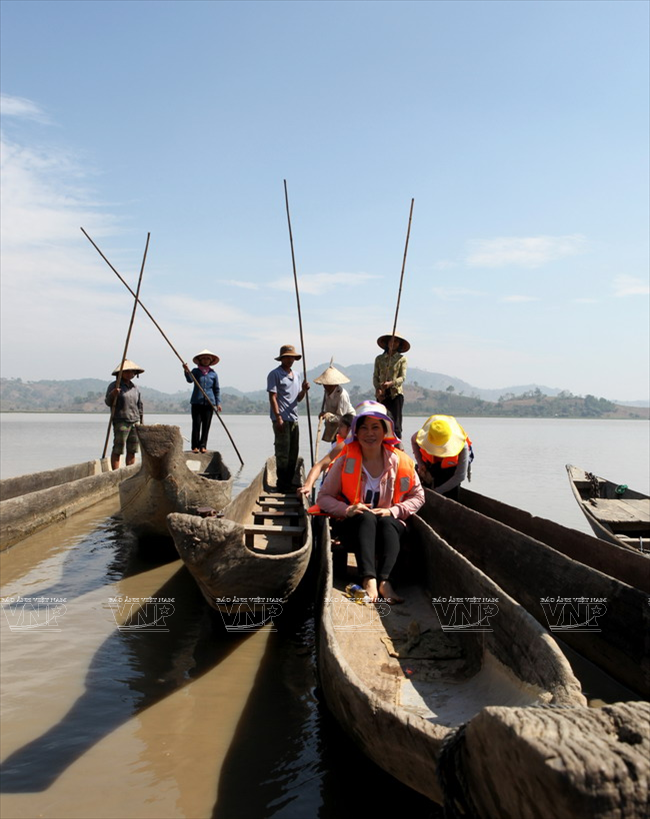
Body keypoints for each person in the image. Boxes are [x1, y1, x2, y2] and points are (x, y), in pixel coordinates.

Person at [316, 401, 424, 603]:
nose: (369, 433)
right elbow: (323, 497)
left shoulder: (400, 461)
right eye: (364, 427)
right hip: (354, 530)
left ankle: (385, 581)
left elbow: (418, 496)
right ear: (356, 432)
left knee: (386, 521)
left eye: (375, 427)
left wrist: (393, 510)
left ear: (385, 431)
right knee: (365, 517)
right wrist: (347, 509)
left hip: (388, 531)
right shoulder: (345, 459)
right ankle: (369, 579)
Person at [267, 344, 310, 493]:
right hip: (281, 418)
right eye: (287, 357)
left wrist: (304, 390)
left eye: (292, 357)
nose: (290, 360)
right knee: (282, 452)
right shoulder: (275, 374)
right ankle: (282, 484)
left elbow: (298, 398)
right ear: (282, 358)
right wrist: (278, 417)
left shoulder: (297, 375)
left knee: (293, 452)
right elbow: (273, 397)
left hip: (294, 418)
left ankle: (289, 482)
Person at [411, 415, 473, 501]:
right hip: (432, 462)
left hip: (451, 468)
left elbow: (460, 476)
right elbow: (413, 440)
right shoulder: (424, 435)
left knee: (451, 494)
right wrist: (420, 463)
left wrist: (437, 491)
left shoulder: (462, 445)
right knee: (426, 480)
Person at [298, 413, 354, 497]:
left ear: (349, 429)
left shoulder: (360, 447)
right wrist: (308, 485)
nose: (338, 429)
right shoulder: (340, 446)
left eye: (341, 426)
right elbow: (320, 466)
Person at [105, 359, 144, 471]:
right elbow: (108, 402)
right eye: (127, 372)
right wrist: (113, 394)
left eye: (132, 372)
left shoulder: (135, 388)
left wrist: (141, 422)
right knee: (118, 448)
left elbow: (139, 406)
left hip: (134, 420)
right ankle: (116, 473)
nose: (130, 374)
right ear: (121, 373)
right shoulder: (114, 386)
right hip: (121, 420)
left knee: (132, 450)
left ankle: (129, 472)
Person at [183, 349, 221, 453]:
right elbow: (189, 380)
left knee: (206, 425)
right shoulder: (195, 372)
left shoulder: (213, 374)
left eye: (207, 359)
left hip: (209, 403)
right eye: (203, 358)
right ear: (200, 360)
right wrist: (186, 371)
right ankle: (195, 446)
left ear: (210, 361)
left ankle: (203, 445)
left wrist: (218, 403)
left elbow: (216, 389)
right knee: (196, 424)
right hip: (196, 402)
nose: (205, 360)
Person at [373, 333, 409, 441]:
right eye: (391, 341)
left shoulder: (401, 359)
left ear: (399, 345)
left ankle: (397, 445)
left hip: (395, 394)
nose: (393, 344)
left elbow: (402, 378)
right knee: (380, 420)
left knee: (396, 423)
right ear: (387, 343)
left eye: (396, 342)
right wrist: (378, 389)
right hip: (382, 394)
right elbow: (375, 376)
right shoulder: (379, 359)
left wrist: (391, 383)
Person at [313, 363, 355, 443]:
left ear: (335, 384)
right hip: (335, 425)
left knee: (342, 445)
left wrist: (328, 416)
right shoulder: (326, 393)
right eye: (324, 384)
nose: (325, 386)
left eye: (328, 385)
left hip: (347, 425)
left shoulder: (342, 395)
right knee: (334, 445)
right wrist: (324, 415)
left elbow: (342, 417)